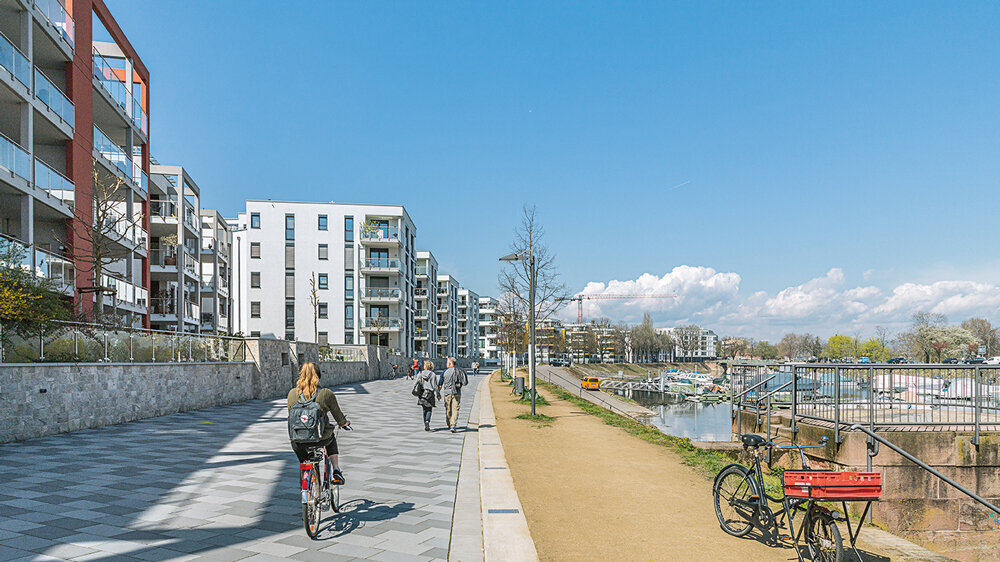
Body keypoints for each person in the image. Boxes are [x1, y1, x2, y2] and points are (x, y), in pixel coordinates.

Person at [288, 363, 350, 484]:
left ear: (299, 375)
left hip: (298, 440)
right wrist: (344, 423)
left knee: (305, 461)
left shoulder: (292, 394)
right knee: (331, 438)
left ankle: (307, 484)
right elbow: (338, 416)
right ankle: (336, 470)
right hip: (321, 438)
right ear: (319, 375)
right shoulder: (326, 393)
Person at [439, 357, 469, 433]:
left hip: (447, 393)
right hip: (457, 392)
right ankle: (453, 425)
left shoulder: (444, 372)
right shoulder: (459, 371)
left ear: (449, 363)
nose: (446, 364)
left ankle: (450, 424)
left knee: (448, 409)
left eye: (447, 362)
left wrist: (438, 393)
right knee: (455, 409)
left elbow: (440, 384)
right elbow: (464, 381)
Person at [417, 360, 439, 431]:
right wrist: (438, 394)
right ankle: (427, 421)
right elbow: (435, 386)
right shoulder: (433, 374)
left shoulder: (420, 373)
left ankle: (425, 423)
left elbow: (416, 383)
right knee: (429, 408)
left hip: (422, 393)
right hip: (430, 393)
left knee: (424, 409)